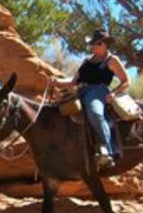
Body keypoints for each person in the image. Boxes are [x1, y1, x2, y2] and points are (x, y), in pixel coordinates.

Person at [52, 29, 130, 168]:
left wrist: (113, 93)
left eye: (97, 43)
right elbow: (73, 82)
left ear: (105, 44)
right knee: (57, 109)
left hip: (98, 91)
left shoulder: (111, 60)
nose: (93, 46)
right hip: (80, 90)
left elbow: (126, 81)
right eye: (92, 44)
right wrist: (56, 81)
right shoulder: (87, 60)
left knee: (95, 113)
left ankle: (108, 151)